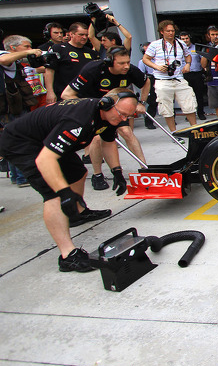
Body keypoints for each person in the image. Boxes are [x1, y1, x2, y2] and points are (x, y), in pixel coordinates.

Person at [0, 89, 137, 272]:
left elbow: (108, 141)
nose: (123, 119)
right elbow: (45, 160)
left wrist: (117, 171)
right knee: (54, 195)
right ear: (106, 103)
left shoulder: (110, 116)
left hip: (48, 139)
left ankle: (77, 214)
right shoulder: (78, 120)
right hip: (23, 143)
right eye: (121, 114)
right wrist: (64, 193)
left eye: (128, 116)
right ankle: (68, 256)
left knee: (78, 172)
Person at [62, 46, 150, 190]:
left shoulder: (131, 70)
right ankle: (97, 175)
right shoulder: (92, 70)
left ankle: (144, 168)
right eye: (121, 63)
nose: (126, 66)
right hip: (93, 108)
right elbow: (66, 94)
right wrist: (89, 108)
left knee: (127, 132)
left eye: (127, 62)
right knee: (97, 138)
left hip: (115, 108)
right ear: (109, 62)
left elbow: (146, 82)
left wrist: (141, 102)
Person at [141, 20, 198, 132]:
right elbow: (145, 59)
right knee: (166, 108)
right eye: (168, 31)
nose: (171, 33)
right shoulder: (155, 45)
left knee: (189, 104)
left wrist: (187, 64)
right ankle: (173, 132)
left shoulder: (180, 43)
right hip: (162, 80)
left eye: (172, 31)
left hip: (178, 78)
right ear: (162, 32)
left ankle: (194, 129)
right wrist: (157, 67)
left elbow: (188, 56)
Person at [0, 35, 42, 187]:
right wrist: (29, 53)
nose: (29, 50)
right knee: (18, 140)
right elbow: (4, 60)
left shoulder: (16, 60)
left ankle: (19, 176)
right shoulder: (3, 55)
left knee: (16, 139)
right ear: (12, 48)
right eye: (26, 46)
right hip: (8, 107)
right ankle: (22, 177)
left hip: (16, 105)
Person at [44, 22, 99, 104]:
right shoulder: (58, 49)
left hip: (86, 96)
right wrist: (50, 92)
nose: (84, 37)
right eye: (81, 34)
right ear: (71, 34)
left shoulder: (91, 52)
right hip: (63, 95)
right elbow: (49, 71)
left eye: (86, 35)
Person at [180, 32, 207, 120]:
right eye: (183, 39)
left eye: (186, 38)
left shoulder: (196, 48)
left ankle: (200, 113)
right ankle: (190, 114)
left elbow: (202, 60)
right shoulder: (178, 49)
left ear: (189, 38)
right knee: (187, 96)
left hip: (197, 74)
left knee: (199, 95)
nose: (185, 40)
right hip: (184, 75)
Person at [137, 42, 159, 129]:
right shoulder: (143, 61)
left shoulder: (158, 59)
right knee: (152, 102)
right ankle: (149, 122)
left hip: (159, 78)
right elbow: (141, 73)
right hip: (150, 79)